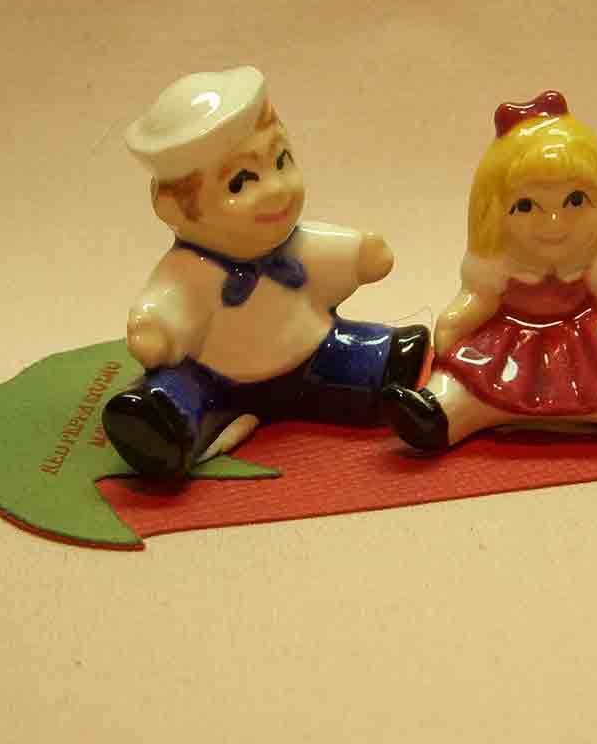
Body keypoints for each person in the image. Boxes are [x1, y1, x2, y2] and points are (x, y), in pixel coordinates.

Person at [103, 67, 428, 483]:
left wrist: (360, 256)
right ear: (172, 207)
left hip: (310, 353)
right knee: (176, 392)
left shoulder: (297, 245)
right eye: (240, 182)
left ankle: (389, 372)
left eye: (281, 162)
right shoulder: (187, 273)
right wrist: (157, 330)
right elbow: (167, 301)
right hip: (214, 376)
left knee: (375, 356)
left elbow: (334, 254)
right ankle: (162, 425)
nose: (277, 189)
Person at [381, 90, 597, 451]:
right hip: (507, 347)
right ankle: (439, 414)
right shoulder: (499, 268)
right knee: (468, 383)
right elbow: (478, 299)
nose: (555, 223)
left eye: (575, 201)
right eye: (526, 206)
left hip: (590, 343)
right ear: (493, 216)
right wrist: (453, 325)